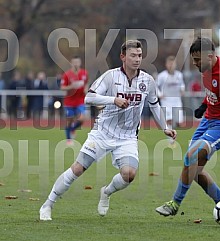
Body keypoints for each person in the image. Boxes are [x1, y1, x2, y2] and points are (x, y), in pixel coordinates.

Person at [39, 40, 177, 221]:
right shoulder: (110, 77)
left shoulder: (147, 81)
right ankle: (48, 204)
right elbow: (89, 98)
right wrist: (113, 100)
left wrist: (165, 127)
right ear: (123, 57)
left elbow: (154, 105)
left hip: (127, 137)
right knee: (77, 169)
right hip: (102, 133)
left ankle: (106, 191)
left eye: (140, 55)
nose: (137, 59)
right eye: (133, 55)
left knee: (129, 174)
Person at [155, 37, 220, 216]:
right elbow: (213, 90)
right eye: (193, 59)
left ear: (210, 56)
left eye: (197, 60)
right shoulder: (206, 68)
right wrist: (204, 104)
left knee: (191, 155)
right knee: (193, 168)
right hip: (208, 119)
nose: (194, 64)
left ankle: (174, 204)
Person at [157, 55, 185, 146]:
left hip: (177, 101)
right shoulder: (162, 76)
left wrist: (182, 90)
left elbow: (182, 85)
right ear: (166, 64)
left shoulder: (179, 75)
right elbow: (155, 86)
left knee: (179, 123)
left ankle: (173, 135)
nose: (171, 65)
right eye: (169, 63)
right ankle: (171, 140)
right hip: (166, 102)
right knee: (169, 121)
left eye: (173, 63)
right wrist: (160, 94)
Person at [60, 56, 89, 145]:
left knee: (82, 119)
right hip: (69, 101)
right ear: (71, 63)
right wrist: (71, 86)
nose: (76, 64)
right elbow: (62, 87)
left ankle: (72, 129)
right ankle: (69, 139)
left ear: (80, 63)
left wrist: (86, 90)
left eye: (77, 62)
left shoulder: (84, 73)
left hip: (80, 100)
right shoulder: (67, 75)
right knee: (69, 120)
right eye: (74, 62)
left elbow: (86, 84)